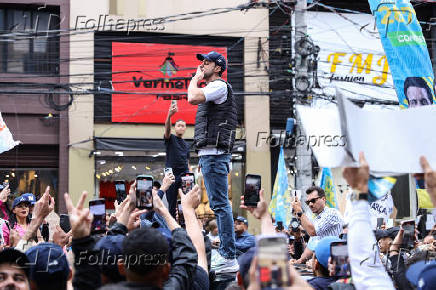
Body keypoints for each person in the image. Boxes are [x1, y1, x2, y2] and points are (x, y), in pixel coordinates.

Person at [188, 50, 238, 273]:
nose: (203, 65)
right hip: (210, 155)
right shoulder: (213, 88)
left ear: (218, 68)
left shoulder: (219, 86)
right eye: (202, 62)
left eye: (207, 62)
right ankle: (228, 253)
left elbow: (192, 97)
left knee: (219, 205)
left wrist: (194, 79)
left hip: (215, 155)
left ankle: (228, 255)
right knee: (220, 205)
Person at [291, 186, 344, 264]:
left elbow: (312, 231)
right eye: (307, 202)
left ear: (323, 199)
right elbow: (312, 245)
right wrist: (299, 261)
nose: (310, 204)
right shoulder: (316, 219)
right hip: (323, 265)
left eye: (313, 200)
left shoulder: (332, 213)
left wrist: (299, 211)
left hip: (335, 264)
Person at [164, 101, 190, 219]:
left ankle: (185, 223)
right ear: (175, 128)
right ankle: (171, 227)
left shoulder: (186, 144)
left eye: (183, 125)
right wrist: (169, 115)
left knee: (187, 201)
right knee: (171, 203)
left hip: (184, 174)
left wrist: (190, 174)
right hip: (171, 174)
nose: (180, 127)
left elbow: (187, 161)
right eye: (178, 125)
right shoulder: (171, 138)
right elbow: (167, 130)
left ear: (185, 129)